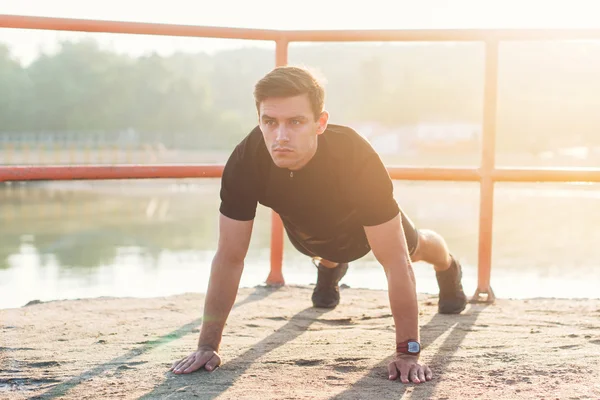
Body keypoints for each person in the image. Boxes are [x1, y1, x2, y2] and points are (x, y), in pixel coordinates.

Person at [170, 66, 468, 384]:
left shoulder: (355, 155)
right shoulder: (246, 161)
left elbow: (396, 262)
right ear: (259, 120)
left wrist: (408, 353)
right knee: (324, 240)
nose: (280, 136)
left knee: (418, 247)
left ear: (320, 123)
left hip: (363, 229)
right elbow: (230, 257)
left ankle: (450, 268)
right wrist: (207, 345)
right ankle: (329, 268)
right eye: (269, 122)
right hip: (309, 235)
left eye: (295, 122)